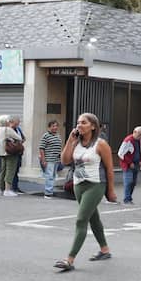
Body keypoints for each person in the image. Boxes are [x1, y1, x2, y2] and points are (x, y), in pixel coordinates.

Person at [53, 112, 116, 272]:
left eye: (84, 123)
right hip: (78, 184)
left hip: (95, 184)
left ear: (93, 126)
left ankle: (70, 259)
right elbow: (65, 160)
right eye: (78, 123)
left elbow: (109, 169)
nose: (79, 125)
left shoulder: (101, 144)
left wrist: (110, 191)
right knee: (93, 218)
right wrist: (70, 140)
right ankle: (104, 250)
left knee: (81, 220)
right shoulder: (76, 142)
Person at [0, 115, 23, 197]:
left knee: (3, 170)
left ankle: (1, 189)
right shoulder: (8, 129)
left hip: (1, 152)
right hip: (10, 152)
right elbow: (19, 138)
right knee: (10, 170)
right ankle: (7, 190)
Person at [117, 126, 141, 204]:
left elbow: (140, 152)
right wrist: (130, 163)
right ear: (134, 132)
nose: (140, 137)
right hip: (128, 164)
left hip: (136, 163)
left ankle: (129, 197)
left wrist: (140, 160)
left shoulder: (139, 141)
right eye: (139, 135)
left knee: (133, 182)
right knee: (128, 181)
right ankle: (127, 199)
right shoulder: (128, 141)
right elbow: (121, 154)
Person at [39, 120, 63, 198]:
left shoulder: (57, 135)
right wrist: (43, 160)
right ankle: (48, 193)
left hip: (56, 159)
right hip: (49, 159)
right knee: (49, 176)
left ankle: (50, 191)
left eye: (56, 126)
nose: (55, 127)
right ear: (49, 127)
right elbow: (41, 148)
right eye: (53, 126)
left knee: (53, 176)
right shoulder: (45, 136)